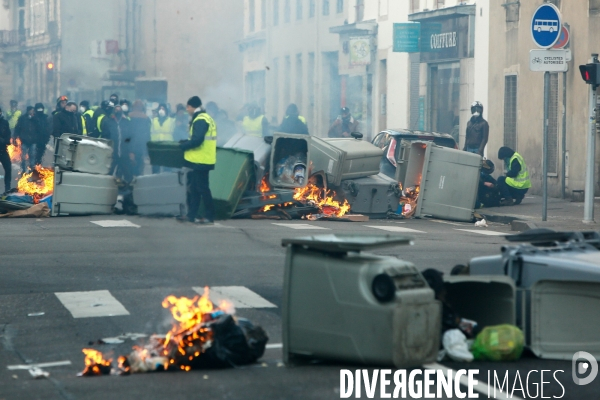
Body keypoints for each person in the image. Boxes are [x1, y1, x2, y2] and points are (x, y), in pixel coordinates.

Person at [179, 96, 216, 224]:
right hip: (200, 160)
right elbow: (197, 138)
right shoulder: (204, 117)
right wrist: (186, 142)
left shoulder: (200, 119)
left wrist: (183, 146)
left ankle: (209, 216)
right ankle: (191, 215)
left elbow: (198, 140)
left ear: (191, 106)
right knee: (194, 188)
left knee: (202, 188)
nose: (187, 110)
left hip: (202, 160)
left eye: (187, 107)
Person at [111, 104, 134, 183]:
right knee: (110, 171)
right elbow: (106, 136)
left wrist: (128, 148)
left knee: (127, 172)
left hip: (124, 152)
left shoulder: (126, 122)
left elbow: (129, 136)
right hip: (113, 152)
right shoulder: (109, 122)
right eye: (116, 110)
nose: (118, 111)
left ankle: (128, 186)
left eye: (119, 110)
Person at [128, 100, 151, 176]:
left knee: (129, 166)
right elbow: (147, 134)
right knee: (139, 167)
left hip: (129, 144)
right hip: (141, 145)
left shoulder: (128, 117)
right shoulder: (146, 118)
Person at [150, 103, 175, 174]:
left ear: (166, 111)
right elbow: (151, 133)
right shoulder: (153, 120)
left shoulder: (171, 121)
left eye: (163, 109)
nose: (161, 110)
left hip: (167, 146)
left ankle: (166, 182)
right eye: (160, 109)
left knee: (167, 167)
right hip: (156, 147)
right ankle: (155, 182)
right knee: (155, 167)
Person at [14, 106, 37, 171]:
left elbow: (38, 129)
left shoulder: (35, 119)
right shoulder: (22, 118)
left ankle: (32, 168)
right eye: (32, 110)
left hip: (33, 140)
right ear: (28, 111)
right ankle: (23, 168)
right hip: (24, 140)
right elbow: (17, 128)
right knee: (23, 156)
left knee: (32, 155)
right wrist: (15, 136)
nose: (33, 111)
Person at [0, 108, 12, 193]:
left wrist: (6, 140)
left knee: (8, 168)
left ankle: (7, 188)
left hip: (3, 149)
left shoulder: (5, 122)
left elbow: (8, 134)